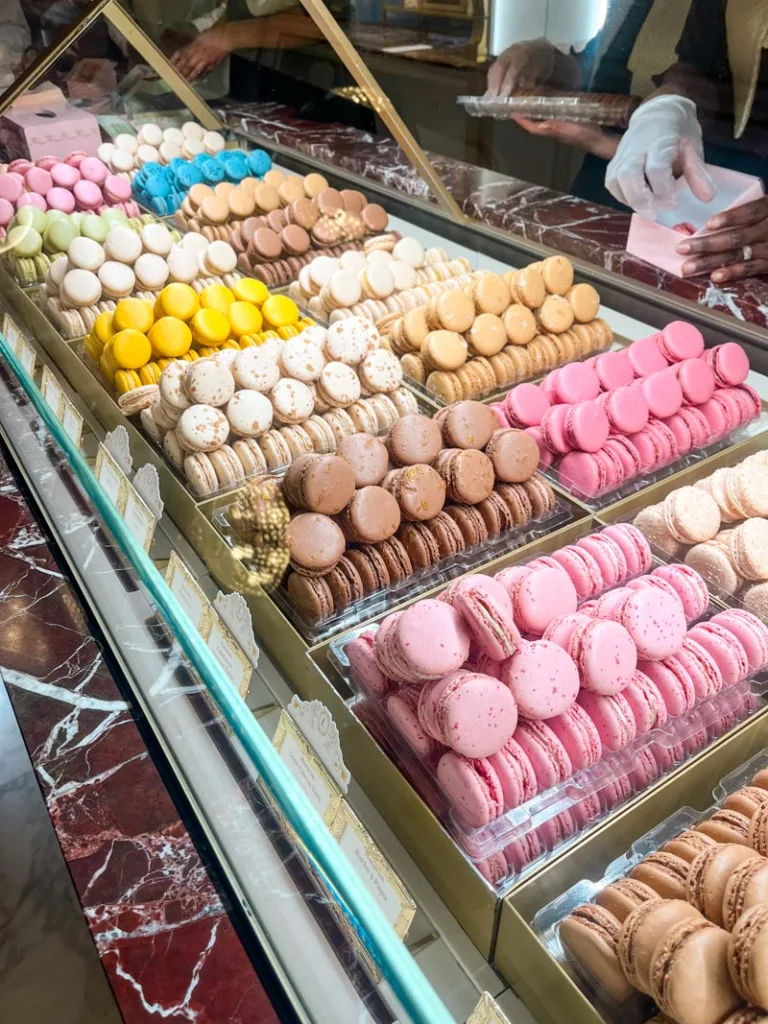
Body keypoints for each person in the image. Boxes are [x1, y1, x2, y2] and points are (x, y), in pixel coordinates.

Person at [487, 0, 768, 282]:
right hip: (615, 201)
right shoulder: (635, 6)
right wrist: (548, 60)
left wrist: (608, 143)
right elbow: (691, 70)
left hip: (716, 228)